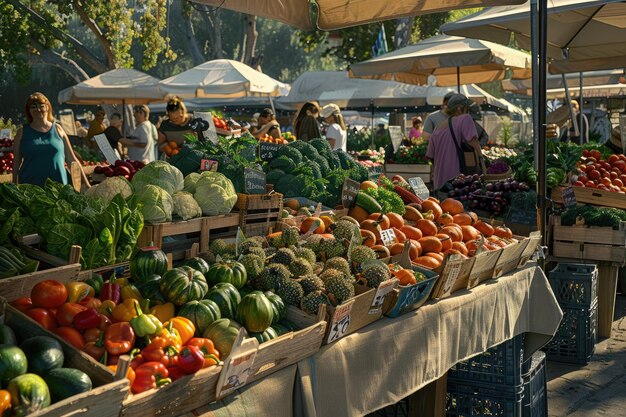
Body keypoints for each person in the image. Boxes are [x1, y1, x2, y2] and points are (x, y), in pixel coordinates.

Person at [12, 92, 90, 187]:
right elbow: (16, 162)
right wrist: (14, 186)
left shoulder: (58, 129)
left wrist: (86, 184)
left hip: (59, 188)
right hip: (30, 190)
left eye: (41, 106)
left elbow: (72, 160)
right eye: (33, 107)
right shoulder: (22, 132)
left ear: (48, 107)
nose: (38, 109)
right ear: (28, 110)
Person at [426, 94, 484, 190]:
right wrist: (482, 162)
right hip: (457, 180)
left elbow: (430, 156)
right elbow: (473, 142)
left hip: (439, 183)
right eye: (466, 108)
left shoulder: (438, 128)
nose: (468, 111)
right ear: (459, 109)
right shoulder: (465, 118)